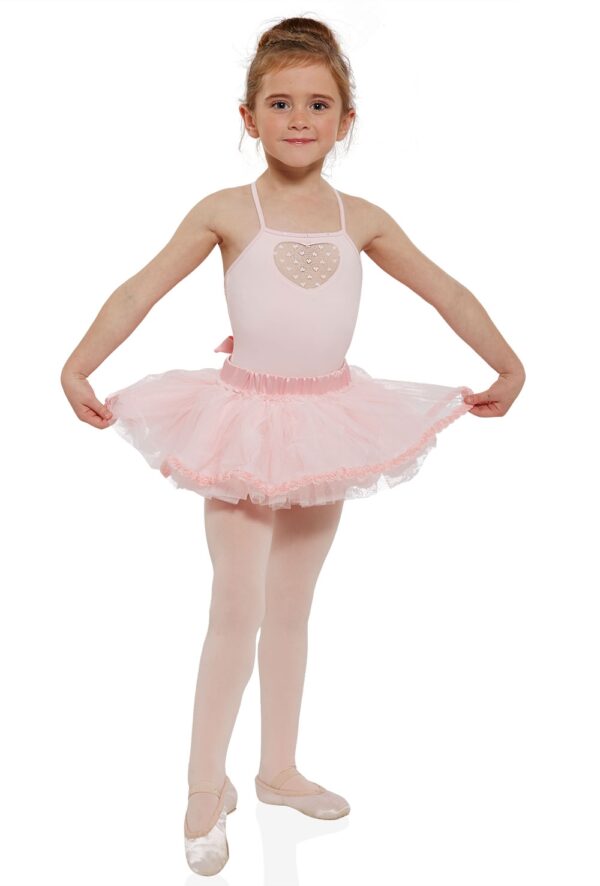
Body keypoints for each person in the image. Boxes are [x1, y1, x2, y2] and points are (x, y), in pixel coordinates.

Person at [60, 15, 526, 877]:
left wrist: (508, 362)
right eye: (280, 103)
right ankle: (204, 787)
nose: (299, 118)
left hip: (325, 426)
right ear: (249, 117)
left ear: (347, 121)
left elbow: (447, 291)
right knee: (235, 609)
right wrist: (79, 364)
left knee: (292, 610)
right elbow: (138, 290)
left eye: (318, 104)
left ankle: (277, 769)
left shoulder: (364, 219)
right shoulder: (226, 211)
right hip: (243, 427)